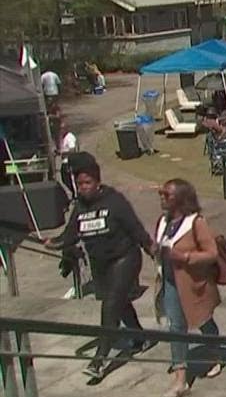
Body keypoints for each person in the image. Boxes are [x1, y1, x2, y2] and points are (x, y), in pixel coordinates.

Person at [49, 162, 155, 379]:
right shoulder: (79, 207)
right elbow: (70, 234)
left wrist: (151, 248)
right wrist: (55, 242)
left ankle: (99, 359)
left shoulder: (115, 201)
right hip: (101, 263)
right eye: (79, 184)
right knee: (119, 302)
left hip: (125, 258)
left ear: (97, 182)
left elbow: (135, 228)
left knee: (110, 305)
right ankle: (140, 337)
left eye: (88, 182)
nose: (83, 187)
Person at [153, 179, 223, 397]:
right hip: (171, 281)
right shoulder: (163, 222)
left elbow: (211, 253)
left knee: (203, 320)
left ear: (181, 199)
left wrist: (185, 257)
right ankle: (180, 379)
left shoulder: (196, 222)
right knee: (177, 326)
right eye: (162, 194)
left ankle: (214, 352)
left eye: (168, 195)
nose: (163, 198)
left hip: (194, 283)